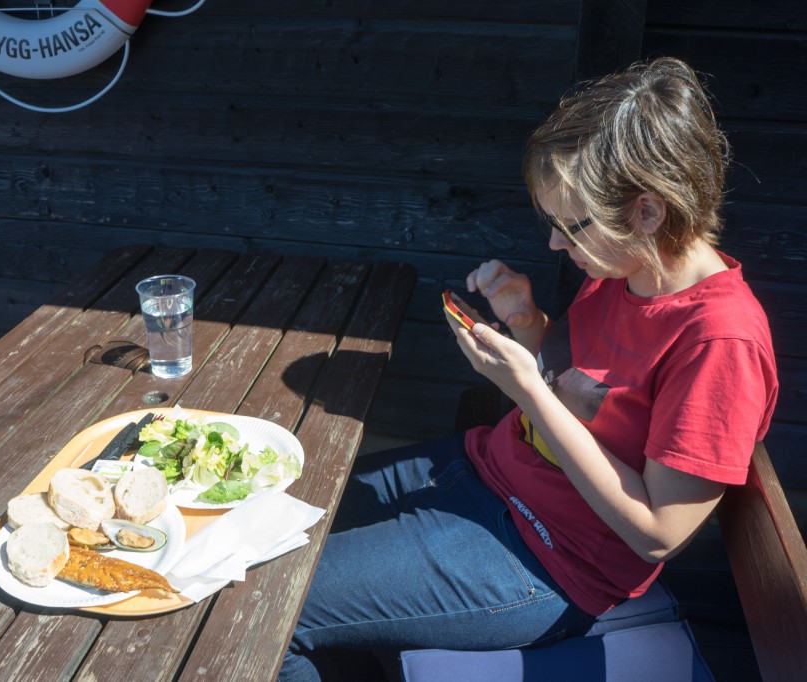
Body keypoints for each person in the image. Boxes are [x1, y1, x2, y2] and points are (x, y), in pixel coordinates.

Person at [279, 56, 778, 681]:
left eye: (571, 226)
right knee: (275, 508)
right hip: (487, 470)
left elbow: (659, 533)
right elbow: (584, 388)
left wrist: (523, 390)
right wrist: (528, 324)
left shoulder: (718, 342)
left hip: (546, 556)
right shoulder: (631, 270)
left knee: (276, 610)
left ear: (648, 212)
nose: (554, 246)